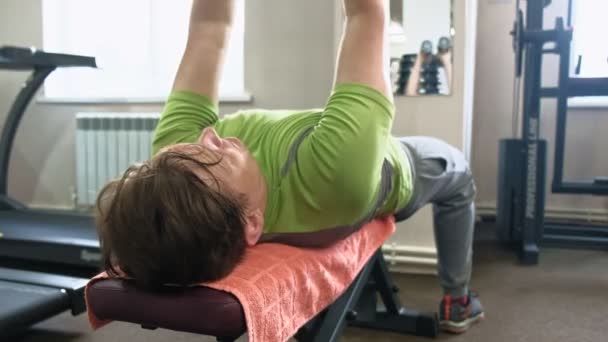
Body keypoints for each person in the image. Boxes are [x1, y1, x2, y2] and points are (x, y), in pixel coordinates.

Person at [95, 0, 484, 334]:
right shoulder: (333, 172)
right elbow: (367, 14)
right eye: (214, 155)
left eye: (190, 146)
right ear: (252, 223)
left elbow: (210, 25)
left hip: (331, 149)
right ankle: (458, 299)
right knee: (458, 174)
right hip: (397, 167)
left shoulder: (175, 166)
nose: (208, 136)